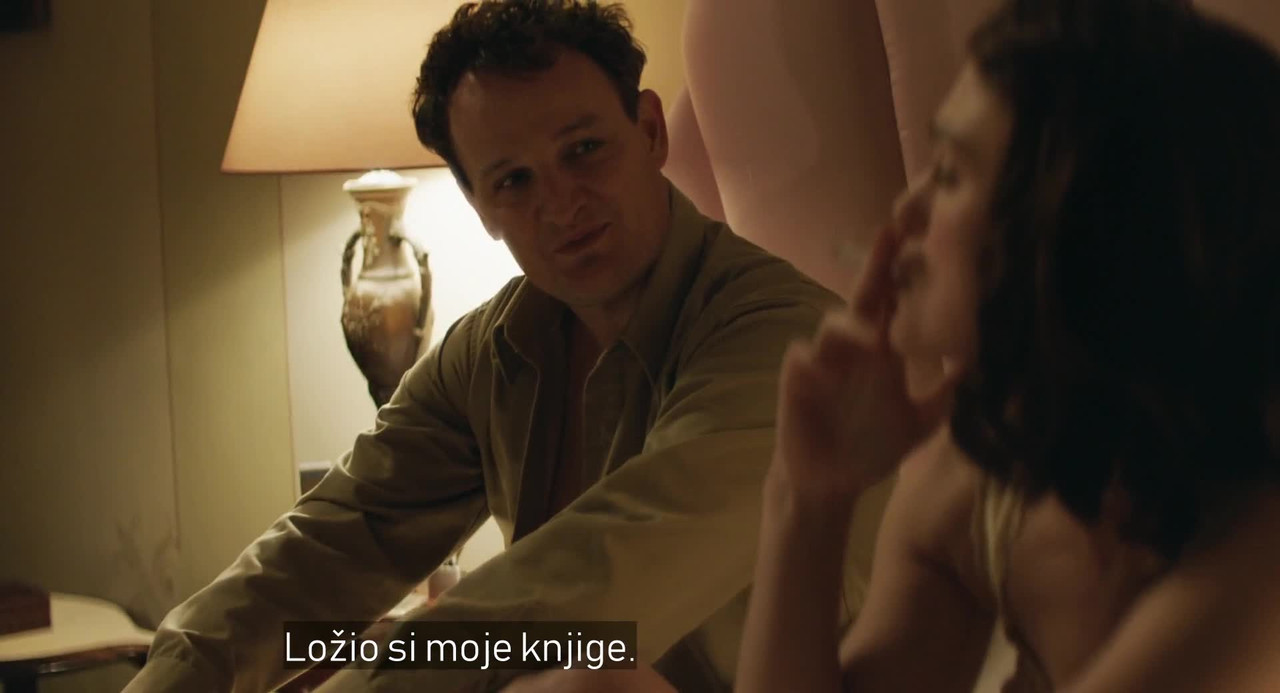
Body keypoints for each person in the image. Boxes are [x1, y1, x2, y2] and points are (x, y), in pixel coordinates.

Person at [123, 1, 848, 692]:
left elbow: (590, 591)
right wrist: (179, 671)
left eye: (585, 149)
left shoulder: (780, 337)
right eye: (514, 180)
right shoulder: (493, 348)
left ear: (651, 131)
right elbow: (339, 535)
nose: (562, 203)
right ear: (479, 206)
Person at [733, 0, 1280, 691]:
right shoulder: (983, 477)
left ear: (1076, 225)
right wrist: (807, 496)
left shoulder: (1256, 543)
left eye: (949, 174)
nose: (905, 212)